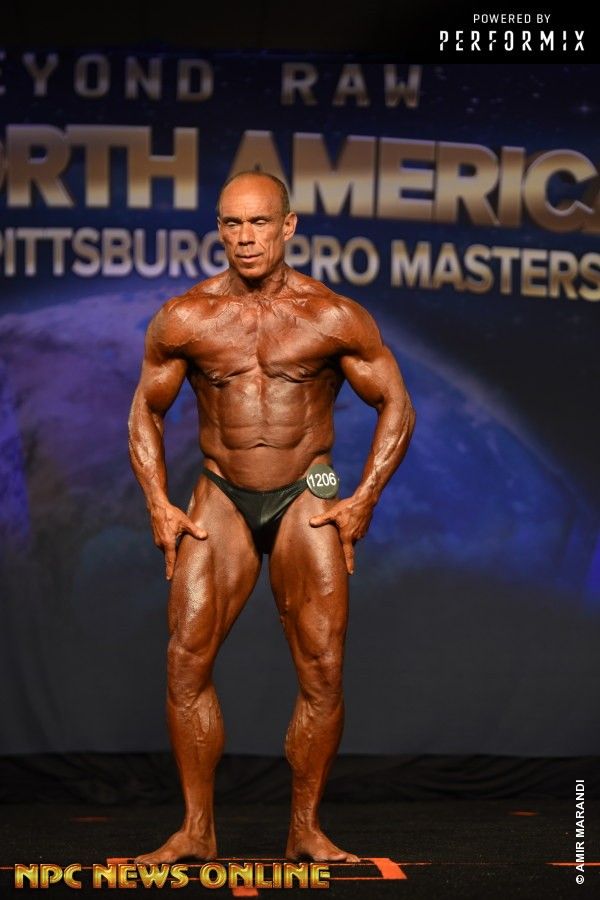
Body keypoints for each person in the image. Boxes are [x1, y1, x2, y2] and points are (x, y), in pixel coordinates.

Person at [128, 171, 416, 863]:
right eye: (232, 224)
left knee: (322, 667)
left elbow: (396, 403)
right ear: (219, 229)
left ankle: (306, 830)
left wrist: (364, 497)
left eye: (259, 223)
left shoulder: (331, 316)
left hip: (311, 482)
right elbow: (147, 409)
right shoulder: (187, 317)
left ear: (288, 226)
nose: (246, 238)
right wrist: (158, 503)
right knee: (184, 661)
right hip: (221, 487)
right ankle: (196, 830)